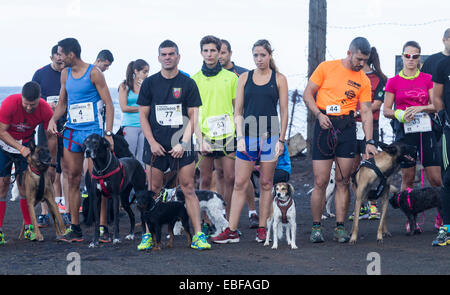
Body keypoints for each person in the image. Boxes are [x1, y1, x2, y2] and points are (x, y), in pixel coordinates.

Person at [212, 39, 289, 244]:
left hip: (271, 137)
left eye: (262, 55)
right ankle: (232, 230)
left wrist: (281, 140)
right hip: (247, 137)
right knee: (239, 183)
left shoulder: (279, 79)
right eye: (255, 55)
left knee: (265, 183)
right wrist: (239, 138)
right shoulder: (244, 78)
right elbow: (238, 111)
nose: (259, 59)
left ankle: (262, 228)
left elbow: (284, 111)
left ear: (270, 55)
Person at [137, 39, 211, 251]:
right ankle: (148, 236)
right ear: (158, 57)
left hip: (182, 144)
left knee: (188, 188)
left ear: (178, 57)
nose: (168, 57)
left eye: (172, 54)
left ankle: (198, 235)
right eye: (164, 54)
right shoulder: (150, 83)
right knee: (153, 190)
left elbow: (193, 115)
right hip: (155, 145)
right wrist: (151, 142)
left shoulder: (188, 83)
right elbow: (143, 115)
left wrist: (184, 142)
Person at [302, 37, 377, 244]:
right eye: (359, 59)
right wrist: (318, 114)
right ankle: (316, 227)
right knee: (320, 181)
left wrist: (369, 141)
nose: (361, 63)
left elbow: (366, 111)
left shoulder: (363, 79)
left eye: (365, 60)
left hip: (346, 129)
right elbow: (308, 94)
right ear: (349, 52)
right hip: (324, 125)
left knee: (344, 181)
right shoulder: (327, 67)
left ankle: (340, 228)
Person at [47, 38, 115, 243]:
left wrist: (109, 133)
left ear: (71, 54)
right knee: (72, 177)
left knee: (97, 179)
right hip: (72, 132)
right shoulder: (65, 74)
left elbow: (109, 105)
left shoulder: (94, 73)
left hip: (92, 133)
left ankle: (102, 228)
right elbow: (62, 103)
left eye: (61, 53)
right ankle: (75, 228)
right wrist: (52, 119)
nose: (58, 57)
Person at [383, 41, 442, 192]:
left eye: (414, 56)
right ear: (402, 57)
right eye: (407, 55)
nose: (411, 59)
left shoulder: (427, 79)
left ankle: (443, 214)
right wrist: (400, 114)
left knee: (435, 178)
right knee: (408, 178)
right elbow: (386, 110)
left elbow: (436, 105)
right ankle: (409, 214)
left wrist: (420, 108)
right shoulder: (393, 81)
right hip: (405, 132)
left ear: (419, 58)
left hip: (426, 131)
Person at [0, 82, 54, 244]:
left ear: (39, 100)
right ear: (21, 98)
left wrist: (51, 162)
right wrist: (19, 148)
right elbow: (1, 131)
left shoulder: (45, 109)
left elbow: (51, 136)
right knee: (3, 185)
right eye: (26, 104)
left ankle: (29, 228)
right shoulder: (10, 103)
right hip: (4, 145)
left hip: (27, 145)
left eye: (33, 105)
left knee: (25, 186)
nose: (29, 108)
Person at [192, 36, 238, 220]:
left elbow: (238, 108)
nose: (209, 54)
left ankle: (224, 217)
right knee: (204, 179)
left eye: (213, 50)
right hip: (205, 134)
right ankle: (203, 220)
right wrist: (199, 137)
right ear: (201, 52)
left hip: (227, 133)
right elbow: (193, 113)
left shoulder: (231, 77)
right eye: (206, 50)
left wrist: (239, 134)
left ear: (220, 52)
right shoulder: (195, 79)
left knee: (229, 177)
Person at [219, 39, 258, 228]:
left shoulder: (242, 74)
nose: (219, 56)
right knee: (219, 174)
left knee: (241, 175)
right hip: (216, 130)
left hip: (239, 129)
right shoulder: (210, 75)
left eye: (223, 52)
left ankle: (252, 211)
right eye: (216, 52)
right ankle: (222, 214)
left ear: (230, 53)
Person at [32, 44, 70, 227]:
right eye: (57, 55)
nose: (60, 58)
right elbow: (33, 99)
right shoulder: (40, 74)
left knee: (67, 168)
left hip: (67, 125)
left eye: (63, 55)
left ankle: (65, 210)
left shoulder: (70, 73)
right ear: (52, 57)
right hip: (46, 126)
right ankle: (45, 212)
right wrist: (47, 108)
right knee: (46, 168)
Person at [349, 46, 387, 221]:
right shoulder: (349, 76)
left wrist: (359, 112)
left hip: (370, 126)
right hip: (350, 128)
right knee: (353, 169)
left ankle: (373, 206)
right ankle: (362, 205)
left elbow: (377, 105)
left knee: (370, 167)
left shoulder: (379, 78)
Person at [431, 54, 450, 246]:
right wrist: (442, 116)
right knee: (447, 179)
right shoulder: (443, 65)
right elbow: (436, 96)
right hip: (449, 130)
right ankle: (447, 228)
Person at [118, 59, 149, 166]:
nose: (147, 74)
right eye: (144, 72)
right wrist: (141, 108)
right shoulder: (124, 86)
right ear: (136, 71)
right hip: (130, 125)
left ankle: (143, 180)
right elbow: (124, 108)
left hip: (145, 125)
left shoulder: (147, 86)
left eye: (147, 72)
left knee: (143, 156)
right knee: (128, 156)